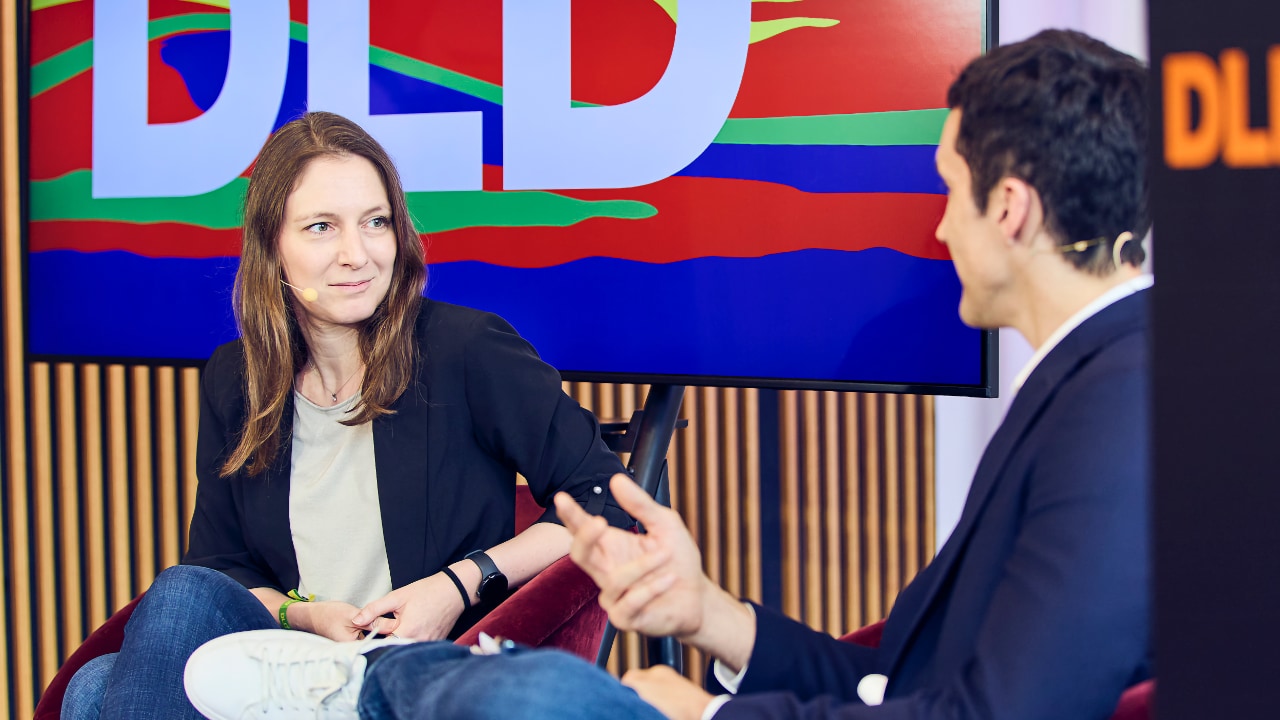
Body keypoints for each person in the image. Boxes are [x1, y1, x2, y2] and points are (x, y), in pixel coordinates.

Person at [182, 28, 1152, 720]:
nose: (937, 228)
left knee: (532, 692)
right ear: (271, 250)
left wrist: (707, 718)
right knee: (152, 640)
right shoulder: (1081, 388)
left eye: (948, 193)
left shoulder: (1118, 407)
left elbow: (995, 710)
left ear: (1011, 210)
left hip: (440, 657)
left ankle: (365, 689)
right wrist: (706, 614)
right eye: (320, 226)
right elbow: (899, 673)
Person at [60, 111, 633, 720]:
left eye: (375, 222)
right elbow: (222, 565)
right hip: (292, 664)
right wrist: (306, 615)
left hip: (406, 669)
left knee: (99, 686)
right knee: (165, 609)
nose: (356, 254)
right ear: (273, 248)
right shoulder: (238, 379)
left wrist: (457, 585)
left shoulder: (466, 350)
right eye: (321, 227)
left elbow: (607, 497)